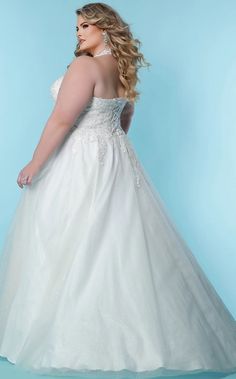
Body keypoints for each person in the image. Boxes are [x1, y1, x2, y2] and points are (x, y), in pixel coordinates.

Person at [0, 2, 236, 378]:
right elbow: (123, 116)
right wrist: (109, 146)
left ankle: (65, 332)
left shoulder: (86, 66)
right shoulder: (121, 68)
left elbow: (62, 121)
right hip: (115, 158)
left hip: (78, 159)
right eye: (77, 27)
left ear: (106, 29)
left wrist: (35, 163)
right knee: (117, 241)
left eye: (86, 26)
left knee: (69, 239)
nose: (78, 33)